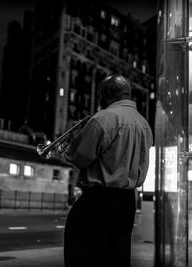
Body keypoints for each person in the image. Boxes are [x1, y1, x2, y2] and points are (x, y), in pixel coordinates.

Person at [63, 74, 153, 267]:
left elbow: (78, 158)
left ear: (109, 94)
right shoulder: (145, 125)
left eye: (100, 94)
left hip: (98, 201)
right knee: (117, 257)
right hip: (127, 203)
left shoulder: (103, 118)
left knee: (82, 255)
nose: (99, 100)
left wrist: (76, 137)